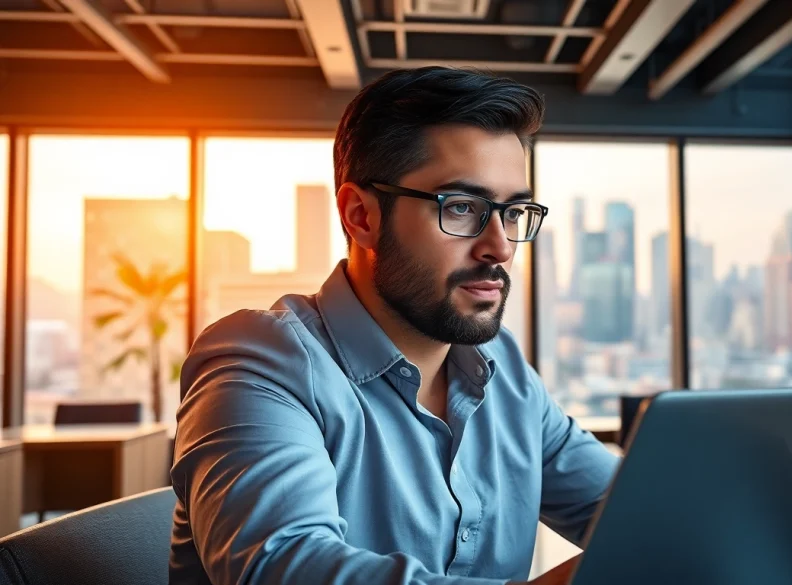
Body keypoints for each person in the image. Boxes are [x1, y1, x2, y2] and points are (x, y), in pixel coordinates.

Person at [169, 66, 620, 585]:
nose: (499, 246)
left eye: (513, 212)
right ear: (361, 216)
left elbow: (638, 516)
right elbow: (284, 566)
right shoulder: (259, 362)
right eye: (462, 207)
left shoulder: (506, 373)